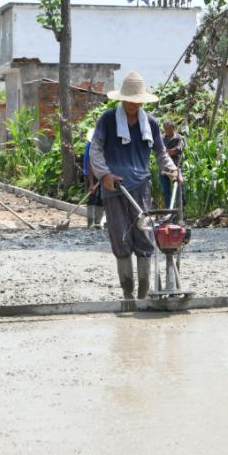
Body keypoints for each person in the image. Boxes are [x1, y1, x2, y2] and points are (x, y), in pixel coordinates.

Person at [89, 71, 181, 300]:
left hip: (141, 187)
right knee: (121, 238)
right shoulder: (108, 119)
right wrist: (104, 175)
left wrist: (172, 170)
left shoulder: (149, 123)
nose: (133, 104)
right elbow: (96, 150)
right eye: (129, 99)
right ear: (122, 99)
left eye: (137, 100)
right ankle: (127, 292)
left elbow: (160, 153)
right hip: (114, 187)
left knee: (145, 238)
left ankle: (143, 292)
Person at [159, 119, 185, 209]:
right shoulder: (161, 138)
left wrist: (165, 152)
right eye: (165, 128)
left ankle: (181, 211)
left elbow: (178, 150)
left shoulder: (179, 138)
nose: (167, 130)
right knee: (166, 192)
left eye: (169, 128)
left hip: (176, 168)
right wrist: (167, 152)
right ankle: (168, 212)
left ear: (173, 128)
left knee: (179, 191)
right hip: (164, 169)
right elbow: (158, 151)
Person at [83, 128, 104, 229]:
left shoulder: (104, 145)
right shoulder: (90, 146)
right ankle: (90, 223)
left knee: (102, 197)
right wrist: (91, 183)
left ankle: (97, 222)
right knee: (92, 197)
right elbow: (90, 164)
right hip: (90, 173)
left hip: (102, 172)